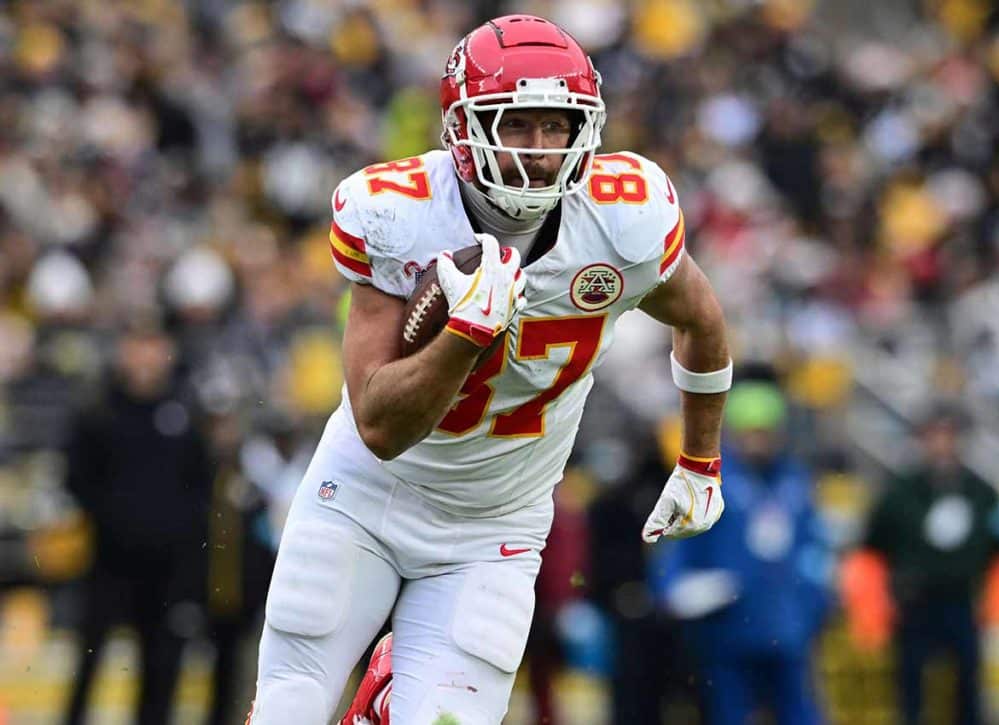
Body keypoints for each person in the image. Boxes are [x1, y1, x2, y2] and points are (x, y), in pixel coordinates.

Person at [248, 14, 731, 725]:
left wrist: (700, 460)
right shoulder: (399, 212)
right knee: (288, 708)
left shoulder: (623, 219)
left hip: (495, 526)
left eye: (556, 125)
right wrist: (465, 335)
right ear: (462, 127)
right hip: (367, 495)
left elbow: (702, 319)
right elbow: (379, 425)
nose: (537, 149)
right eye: (516, 124)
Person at [649, 375, 834, 725]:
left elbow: (814, 548)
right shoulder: (709, 485)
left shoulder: (795, 483)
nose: (757, 441)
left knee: (801, 713)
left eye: (765, 432)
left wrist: (815, 599)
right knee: (731, 714)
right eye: (749, 432)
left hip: (788, 630)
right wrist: (678, 587)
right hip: (728, 631)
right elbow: (677, 552)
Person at [62, 320, 212, 725]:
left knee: (161, 666)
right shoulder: (98, 412)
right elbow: (76, 479)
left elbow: (202, 485)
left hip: (166, 567)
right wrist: (114, 521)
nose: (146, 356)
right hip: (108, 561)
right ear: (123, 351)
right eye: (137, 344)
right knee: (88, 658)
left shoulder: (185, 413)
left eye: (153, 344)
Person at [841, 403, 999, 725]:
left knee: (968, 684)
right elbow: (871, 551)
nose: (942, 444)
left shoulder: (980, 492)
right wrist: (873, 606)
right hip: (914, 603)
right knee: (910, 684)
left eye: (949, 435)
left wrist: (998, 606)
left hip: (964, 603)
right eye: (934, 435)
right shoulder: (900, 492)